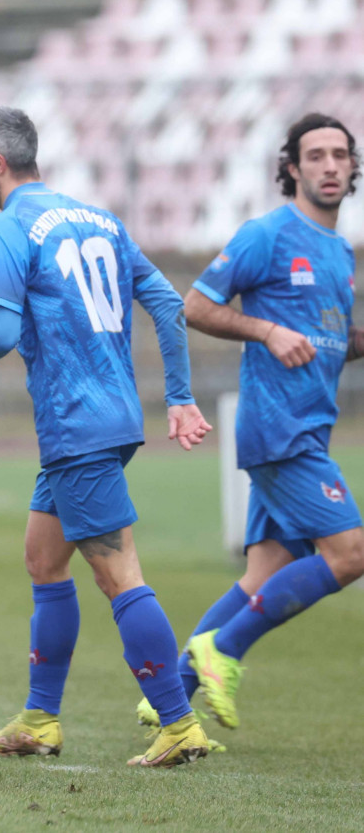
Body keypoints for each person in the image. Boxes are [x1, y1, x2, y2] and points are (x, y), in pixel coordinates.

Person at [0, 107, 213, 767]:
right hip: (110, 419)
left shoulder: (8, 228)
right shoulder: (100, 219)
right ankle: (40, 719)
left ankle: (179, 722)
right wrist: (178, 396)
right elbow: (168, 304)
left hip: (76, 425)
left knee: (118, 573)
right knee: (44, 561)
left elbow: (2, 332)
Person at [139, 113, 364, 737]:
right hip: (278, 427)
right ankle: (224, 649)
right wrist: (266, 330)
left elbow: (327, 341)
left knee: (265, 571)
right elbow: (195, 307)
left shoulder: (340, 251)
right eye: (315, 155)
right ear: (291, 168)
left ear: (352, 168)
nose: (329, 166)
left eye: (340, 155)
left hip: (308, 426)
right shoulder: (267, 234)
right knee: (350, 554)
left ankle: (171, 695)